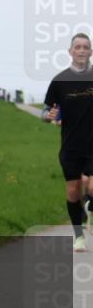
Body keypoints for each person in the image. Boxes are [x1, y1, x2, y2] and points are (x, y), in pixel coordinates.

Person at [42, 32, 93, 252]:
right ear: (70, 51)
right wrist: (47, 116)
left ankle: (89, 205)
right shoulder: (59, 81)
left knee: (92, 186)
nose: (81, 50)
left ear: (90, 52)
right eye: (78, 47)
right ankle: (78, 235)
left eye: (86, 47)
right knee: (73, 191)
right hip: (71, 145)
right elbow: (46, 110)